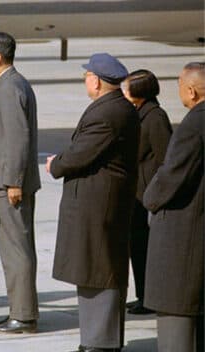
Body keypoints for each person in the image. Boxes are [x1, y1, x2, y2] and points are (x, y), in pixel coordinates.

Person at [46, 53, 140, 352]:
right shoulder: (114, 108)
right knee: (93, 270)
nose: (85, 79)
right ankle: (96, 339)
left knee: (100, 271)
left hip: (100, 206)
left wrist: (56, 164)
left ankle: (101, 342)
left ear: (96, 81)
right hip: (98, 204)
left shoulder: (107, 113)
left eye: (87, 75)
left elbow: (80, 154)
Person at [0, 31, 41, 334]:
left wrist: (13, 181)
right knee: (16, 248)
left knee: (16, 249)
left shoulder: (9, 88)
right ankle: (21, 310)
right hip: (8, 181)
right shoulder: (11, 85)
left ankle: (24, 316)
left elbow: (18, 137)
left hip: (10, 184)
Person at [143, 62, 204, 352]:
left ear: (191, 91)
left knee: (176, 327)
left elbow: (172, 175)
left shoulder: (193, 125)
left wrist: (150, 198)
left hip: (184, 237)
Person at [121, 70, 172, 315]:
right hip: (136, 196)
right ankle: (143, 294)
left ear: (139, 92)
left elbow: (166, 160)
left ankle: (149, 298)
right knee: (137, 248)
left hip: (147, 195)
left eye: (127, 88)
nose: (123, 91)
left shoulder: (155, 118)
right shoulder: (140, 114)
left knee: (145, 249)